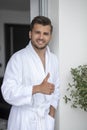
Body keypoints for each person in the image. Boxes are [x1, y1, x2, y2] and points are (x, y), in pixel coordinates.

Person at [1, 16, 60, 130]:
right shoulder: (18, 58)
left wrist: (52, 112)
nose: (41, 37)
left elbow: (56, 89)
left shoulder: (54, 59)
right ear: (30, 34)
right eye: (37, 32)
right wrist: (37, 88)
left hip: (45, 120)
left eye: (45, 33)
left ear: (50, 36)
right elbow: (7, 92)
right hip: (23, 119)